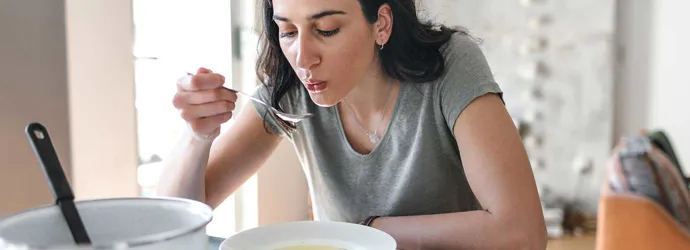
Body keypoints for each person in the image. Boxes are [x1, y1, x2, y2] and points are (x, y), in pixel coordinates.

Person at [158, 0, 547, 249]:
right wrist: (198, 137)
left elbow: (522, 232)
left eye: (326, 30)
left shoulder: (451, 66)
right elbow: (177, 218)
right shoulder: (289, 88)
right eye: (288, 31)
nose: (303, 57)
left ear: (381, 23)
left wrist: (372, 229)